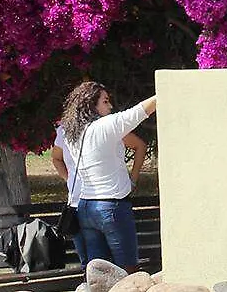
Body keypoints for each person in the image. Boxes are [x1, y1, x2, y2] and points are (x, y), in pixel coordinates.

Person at [58, 82, 157, 271]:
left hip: (86, 207)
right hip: (112, 207)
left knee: (99, 274)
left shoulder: (71, 132)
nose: (110, 106)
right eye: (105, 101)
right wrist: (166, 90)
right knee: (127, 271)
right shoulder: (105, 126)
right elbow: (139, 111)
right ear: (90, 105)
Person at [50, 114, 148, 263]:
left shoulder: (105, 128)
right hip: (79, 205)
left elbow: (139, 145)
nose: (110, 107)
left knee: (113, 264)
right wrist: (68, 178)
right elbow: (56, 157)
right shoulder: (66, 130)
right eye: (105, 101)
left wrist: (132, 180)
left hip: (103, 200)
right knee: (91, 266)